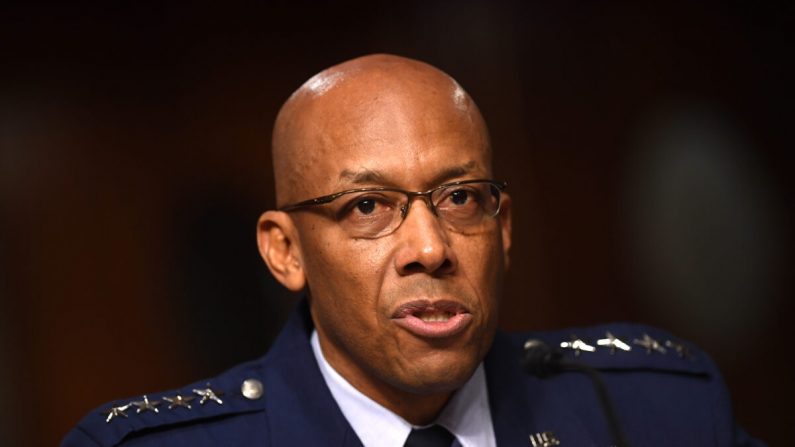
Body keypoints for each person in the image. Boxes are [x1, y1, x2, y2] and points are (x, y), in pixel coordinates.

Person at [62, 54, 763, 446]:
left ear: (504, 226)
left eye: (460, 198)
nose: (429, 247)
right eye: (367, 207)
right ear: (285, 252)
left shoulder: (659, 412)